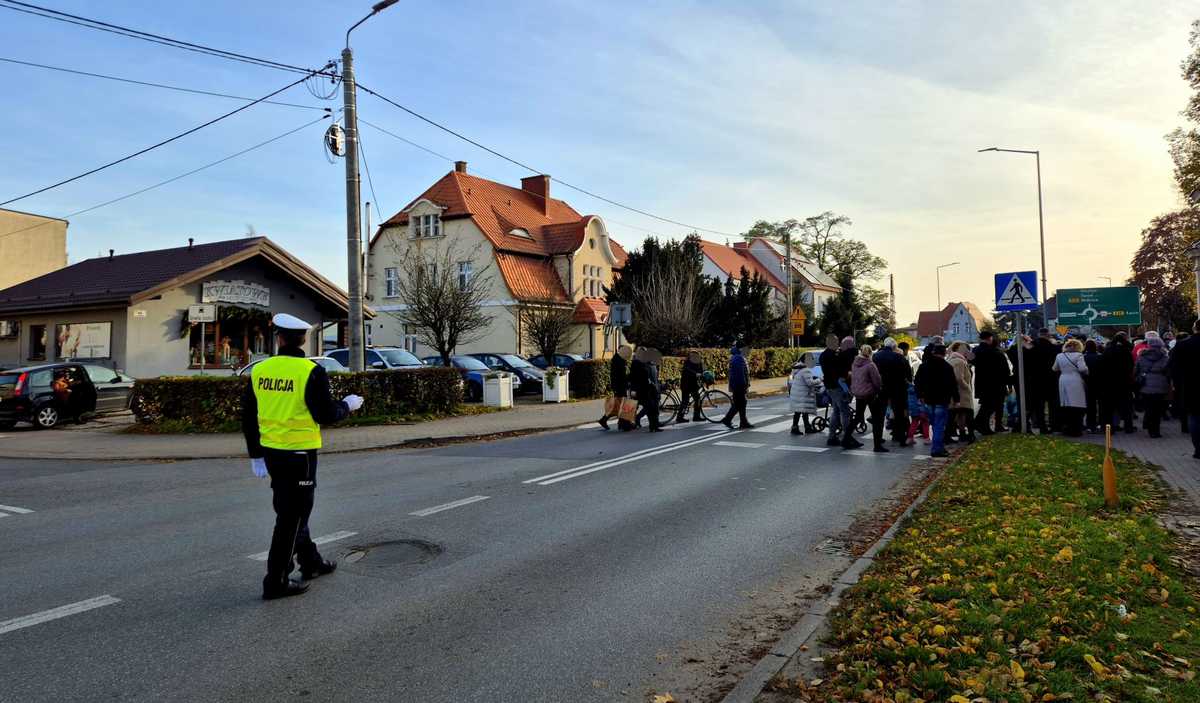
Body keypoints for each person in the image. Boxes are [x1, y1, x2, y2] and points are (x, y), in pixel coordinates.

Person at [242, 313, 364, 600]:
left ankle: (311, 562)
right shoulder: (311, 371)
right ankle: (276, 581)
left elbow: (248, 415)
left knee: (292, 512)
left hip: (272, 453)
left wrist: (256, 455)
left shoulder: (260, 370)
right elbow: (325, 414)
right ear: (304, 339)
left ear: (279, 338)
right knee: (291, 518)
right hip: (300, 456)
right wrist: (347, 405)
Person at [914, 344, 958, 458]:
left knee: (934, 424)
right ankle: (937, 449)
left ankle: (939, 446)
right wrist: (956, 399)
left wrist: (920, 395)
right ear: (944, 353)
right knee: (939, 425)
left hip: (928, 399)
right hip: (942, 399)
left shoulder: (924, 366)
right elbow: (953, 384)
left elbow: (917, 381)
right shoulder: (947, 367)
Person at [873, 337, 912, 446]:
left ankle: (878, 441)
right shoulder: (898, 357)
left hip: (881, 388)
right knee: (899, 414)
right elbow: (908, 373)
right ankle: (901, 438)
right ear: (894, 347)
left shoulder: (876, 356)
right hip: (897, 388)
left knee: (879, 415)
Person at [1169, 320, 1200, 458]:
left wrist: (1176, 383)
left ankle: (1198, 450)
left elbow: (1173, 367)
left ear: (1194, 328)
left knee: (1195, 417)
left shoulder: (1182, 345)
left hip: (1190, 386)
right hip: (1189, 385)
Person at [851, 344, 888, 452]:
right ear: (871, 353)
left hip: (859, 394)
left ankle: (846, 437)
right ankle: (877, 445)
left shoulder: (855, 364)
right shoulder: (870, 365)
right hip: (870, 394)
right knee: (877, 419)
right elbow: (877, 381)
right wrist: (878, 389)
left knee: (858, 416)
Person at [972, 331, 1009, 434]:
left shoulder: (975, 350)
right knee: (991, 406)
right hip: (996, 384)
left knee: (986, 405)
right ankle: (980, 424)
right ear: (990, 338)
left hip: (981, 383)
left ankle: (982, 425)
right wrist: (1007, 381)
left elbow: (972, 362)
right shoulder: (995, 351)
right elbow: (1004, 369)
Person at [1135, 335, 1171, 438]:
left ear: (1149, 345)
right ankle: (1156, 431)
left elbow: (1136, 370)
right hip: (1161, 386)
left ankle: (1150, 428)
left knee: (1149, 408)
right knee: (1158, 410)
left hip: (1145, 385)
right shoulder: (1165, 357)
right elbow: (1168, 371)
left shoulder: (1142, 356)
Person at [1052, 339, 1089, 437]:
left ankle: (1066, 428)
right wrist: (1087, 371)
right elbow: (1082, 368)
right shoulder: (1079, 355)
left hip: (1063, 380)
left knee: (1065, 404)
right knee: (1077, 404)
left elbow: (1054, 368)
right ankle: (1076, 429)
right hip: (1075, 380)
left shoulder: (1059, 356)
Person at [1101, 332, 1137, 433]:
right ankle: (1128, 427)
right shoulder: (1126, 351)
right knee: (1126, 407)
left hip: (1109, 382)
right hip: (1124, 382)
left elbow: (1102, 365)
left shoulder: (1107, 350)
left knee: (1109, 408)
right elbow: (1131, 366)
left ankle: (1109, 428)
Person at [1028, 329, 1060, 433]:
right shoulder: (1053, 347)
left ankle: (1042, 426)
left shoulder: (1032, 346)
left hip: (1035, 379)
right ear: (1048, 335)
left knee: (1039, 405)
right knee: (1053, 404)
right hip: (1051, 379)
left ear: (1039, 334)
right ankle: (1054, 424)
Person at [819, 335, 848, 446]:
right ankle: (847, 437)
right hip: (837, 386)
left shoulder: (823, 355)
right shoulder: (834, 356)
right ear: (832, 343)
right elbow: (840, 371)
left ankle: (832, 437)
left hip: (829, 385)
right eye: (836, 342)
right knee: (844, 411)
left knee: (836, 411)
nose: (838, 344)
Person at [947, 341, 976, 444]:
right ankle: (970, 435)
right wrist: (967, 387)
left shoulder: (951, 360)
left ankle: (961, 434)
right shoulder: (959, 361)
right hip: (962, 393)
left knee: (958, 415)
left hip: (955, 393)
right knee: (968, 413)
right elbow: (959, 378)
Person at [598, 345, 632, 430]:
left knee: (619, 405)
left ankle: (620, 423)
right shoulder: (618, 360)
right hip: (619, 386)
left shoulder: (618, 359)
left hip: (619, 385)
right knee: (622, 405)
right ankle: (624, 424)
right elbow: (620, 375)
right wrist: (628, 378)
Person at [788, 352, 822, 435]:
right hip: (803, 394)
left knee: (798, 411)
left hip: (797, 393)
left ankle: (796, 427)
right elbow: (810, 383)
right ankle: (807, 428)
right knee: (804, 411)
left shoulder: (797, 369)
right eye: (812, 359)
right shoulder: (806, 370)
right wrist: (820, 380)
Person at [721, 344, 753, 429]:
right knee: (740, 403)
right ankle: (729, 419)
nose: (749, 352)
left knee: (740, 403)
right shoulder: (738, 358)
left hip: (737, 384)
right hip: (739, 385)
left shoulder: (736, 357)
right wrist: (745, 385)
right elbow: (740, 374)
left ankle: (742, 421)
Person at [676, 351, 705, 423]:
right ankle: (681, 417)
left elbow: (702, 371)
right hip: (686, 384)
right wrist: (695, 374)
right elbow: (687, 370)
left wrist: (704, 378)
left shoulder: (699, 362)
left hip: (693, 384)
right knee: (686, 401)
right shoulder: (687, 362)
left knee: (696, 399)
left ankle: (695, 416)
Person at [1083, 339, 1103, 433]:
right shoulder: (1100, 357)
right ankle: (1101, 423)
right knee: (1101, 404)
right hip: (1099, 382)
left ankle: (1090, 424)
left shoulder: (1083, 357)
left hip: (1088, 383)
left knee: (1090, 405)